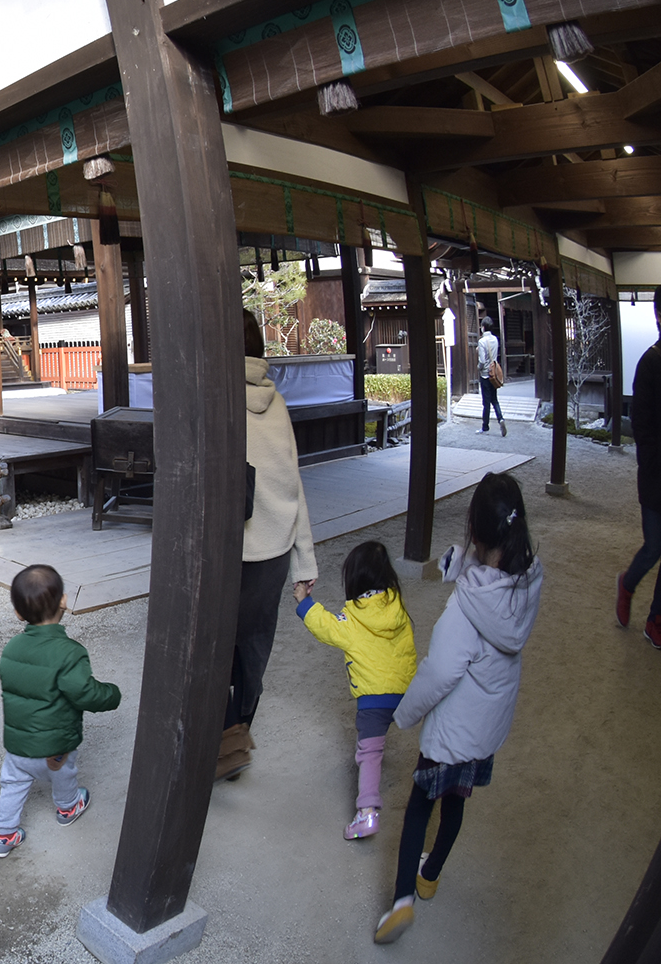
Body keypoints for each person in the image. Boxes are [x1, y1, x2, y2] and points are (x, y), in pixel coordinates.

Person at [374, 472, 543, 945]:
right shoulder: (528, 577)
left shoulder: (465, 611)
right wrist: (460, 563)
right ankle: (432, 874)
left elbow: (440, 671)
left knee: (418, 809)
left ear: (475, 528)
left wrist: (403, 714)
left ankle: (402, 900)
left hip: (452, 731)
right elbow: (485, 570)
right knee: (457, 801)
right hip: (487, 727)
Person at [219, 310, 319, 780]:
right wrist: (305, 561)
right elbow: (293, 482)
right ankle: (236, 739)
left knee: (214, 648)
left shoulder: (214, 398)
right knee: (253, 651)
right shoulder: (275, 403)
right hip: (274, 550)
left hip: (227, 550)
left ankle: (220, 745)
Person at [0, 564, 122, 857]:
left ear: (18, 613)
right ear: (64, 600)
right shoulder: (70, 652)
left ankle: (4, 835)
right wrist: (112, 694)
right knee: (64, 775)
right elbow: (84, 692)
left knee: (12, 784)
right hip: (55, 747)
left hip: (18, 745)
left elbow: (8, 677)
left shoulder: (12, 648)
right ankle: (68, 807)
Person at [292, 540, 416, 840]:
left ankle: (367, 813)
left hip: (373, 700)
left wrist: (303, 602)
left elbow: (326, 626)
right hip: (407, 693)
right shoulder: (396, 606)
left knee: (369, 753)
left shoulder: (353, 619)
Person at [617, 295, 661, 648]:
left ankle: (655, 618)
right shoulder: (649, 363)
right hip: (656, 474)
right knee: (654, 546)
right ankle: (628, 584)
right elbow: (642, 427)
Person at [476, 316, 506, 436]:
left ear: (483, 328)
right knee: (495, 400)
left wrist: (478, 367)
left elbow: (482, 360)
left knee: (486, 403)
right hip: (494, 374)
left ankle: (485, 427)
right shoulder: (495, 339)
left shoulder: (482, 341)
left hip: (485, 375)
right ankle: (501, 419)